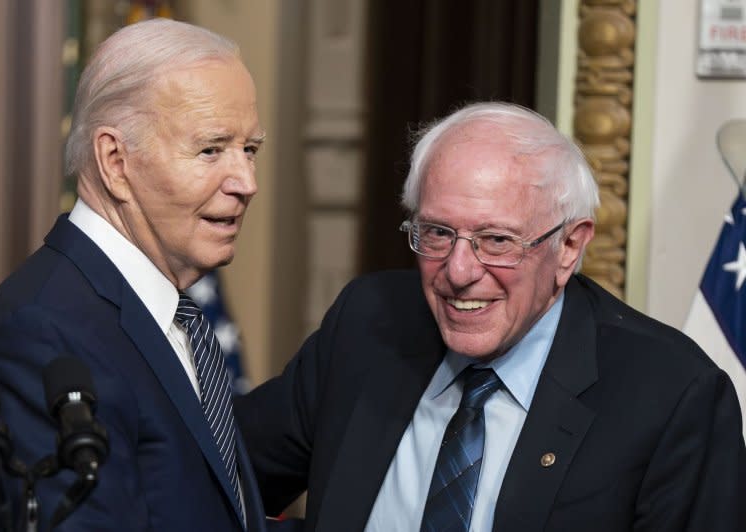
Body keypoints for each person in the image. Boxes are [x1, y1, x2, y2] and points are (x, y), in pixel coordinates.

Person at [235, 102, 746, 531]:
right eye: (436, 232)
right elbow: (219, 475)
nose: (458, 272)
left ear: (569, 247)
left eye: (497, 241)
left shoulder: (671, 395)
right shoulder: (369, 322)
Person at [0, 18, 296, 532]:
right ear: (115, 160)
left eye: (249, 150)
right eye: (211, 149)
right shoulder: (42, 334)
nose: (246, 182)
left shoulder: (169, 314)